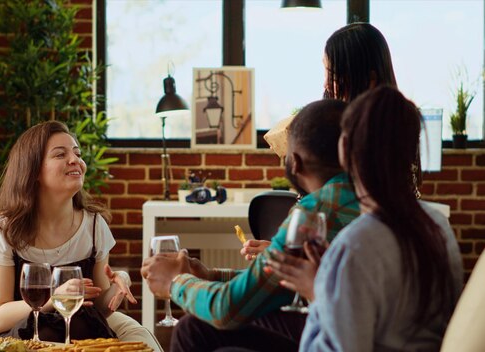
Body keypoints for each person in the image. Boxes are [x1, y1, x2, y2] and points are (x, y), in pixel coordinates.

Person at [141, 99, 360, 352]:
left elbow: (227, 309)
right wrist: (212, 276)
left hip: (331, 335)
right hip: (350, 328)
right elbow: (278, 285)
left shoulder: (313, 211)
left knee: (192, 329)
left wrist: (175, 281)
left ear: (294, 162)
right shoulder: (366, 194)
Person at [270, 86, 463, 351]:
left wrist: (319, 292)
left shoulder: (355, 246)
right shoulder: (438, 224)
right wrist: (332, 281)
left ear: (344, 148)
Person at [0, 121, 161, 350]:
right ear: (33, 171)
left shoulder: (94, 226)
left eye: (77, 153)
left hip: (82, 336)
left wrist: (119, 282)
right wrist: (55, 298)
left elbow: (100, 308)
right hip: (17, 339)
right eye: (60, 154)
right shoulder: (4, 229)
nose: (75, 160)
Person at [241, 21, 406, 260]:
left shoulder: (370, 153)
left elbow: (345, 240)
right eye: (326, 72)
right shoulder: (352, 135)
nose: (326, 84)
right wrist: (282, 250)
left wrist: (285, 253)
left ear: (369, 79)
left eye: (335, 74)